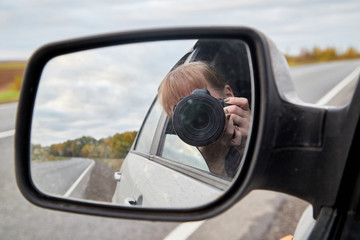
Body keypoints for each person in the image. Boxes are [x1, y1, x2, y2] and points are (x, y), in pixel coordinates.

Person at [158, 61, 251, 177]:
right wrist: (212, 162)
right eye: (181, 109)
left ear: (228, 97)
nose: (196, 116)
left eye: (201, 100)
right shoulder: (181, 155)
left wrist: (252, 143)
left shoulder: (253, 133)